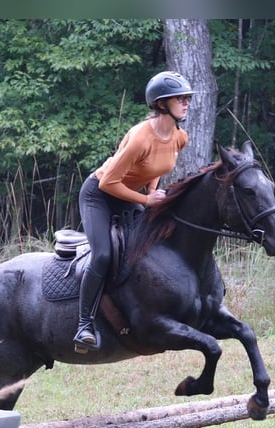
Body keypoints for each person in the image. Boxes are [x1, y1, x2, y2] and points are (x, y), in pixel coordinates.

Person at [73, 70, 195, 352]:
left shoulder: (179, 138)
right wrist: (145, 201)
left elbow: (155, 168)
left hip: (130, 195)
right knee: (103, 255)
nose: (187, 103)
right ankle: (84, 325)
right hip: (98, 195)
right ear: (162, 104)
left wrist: (151, 192)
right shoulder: (141, 137)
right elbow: (108, 182)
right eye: (181, 98)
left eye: (188, 98)